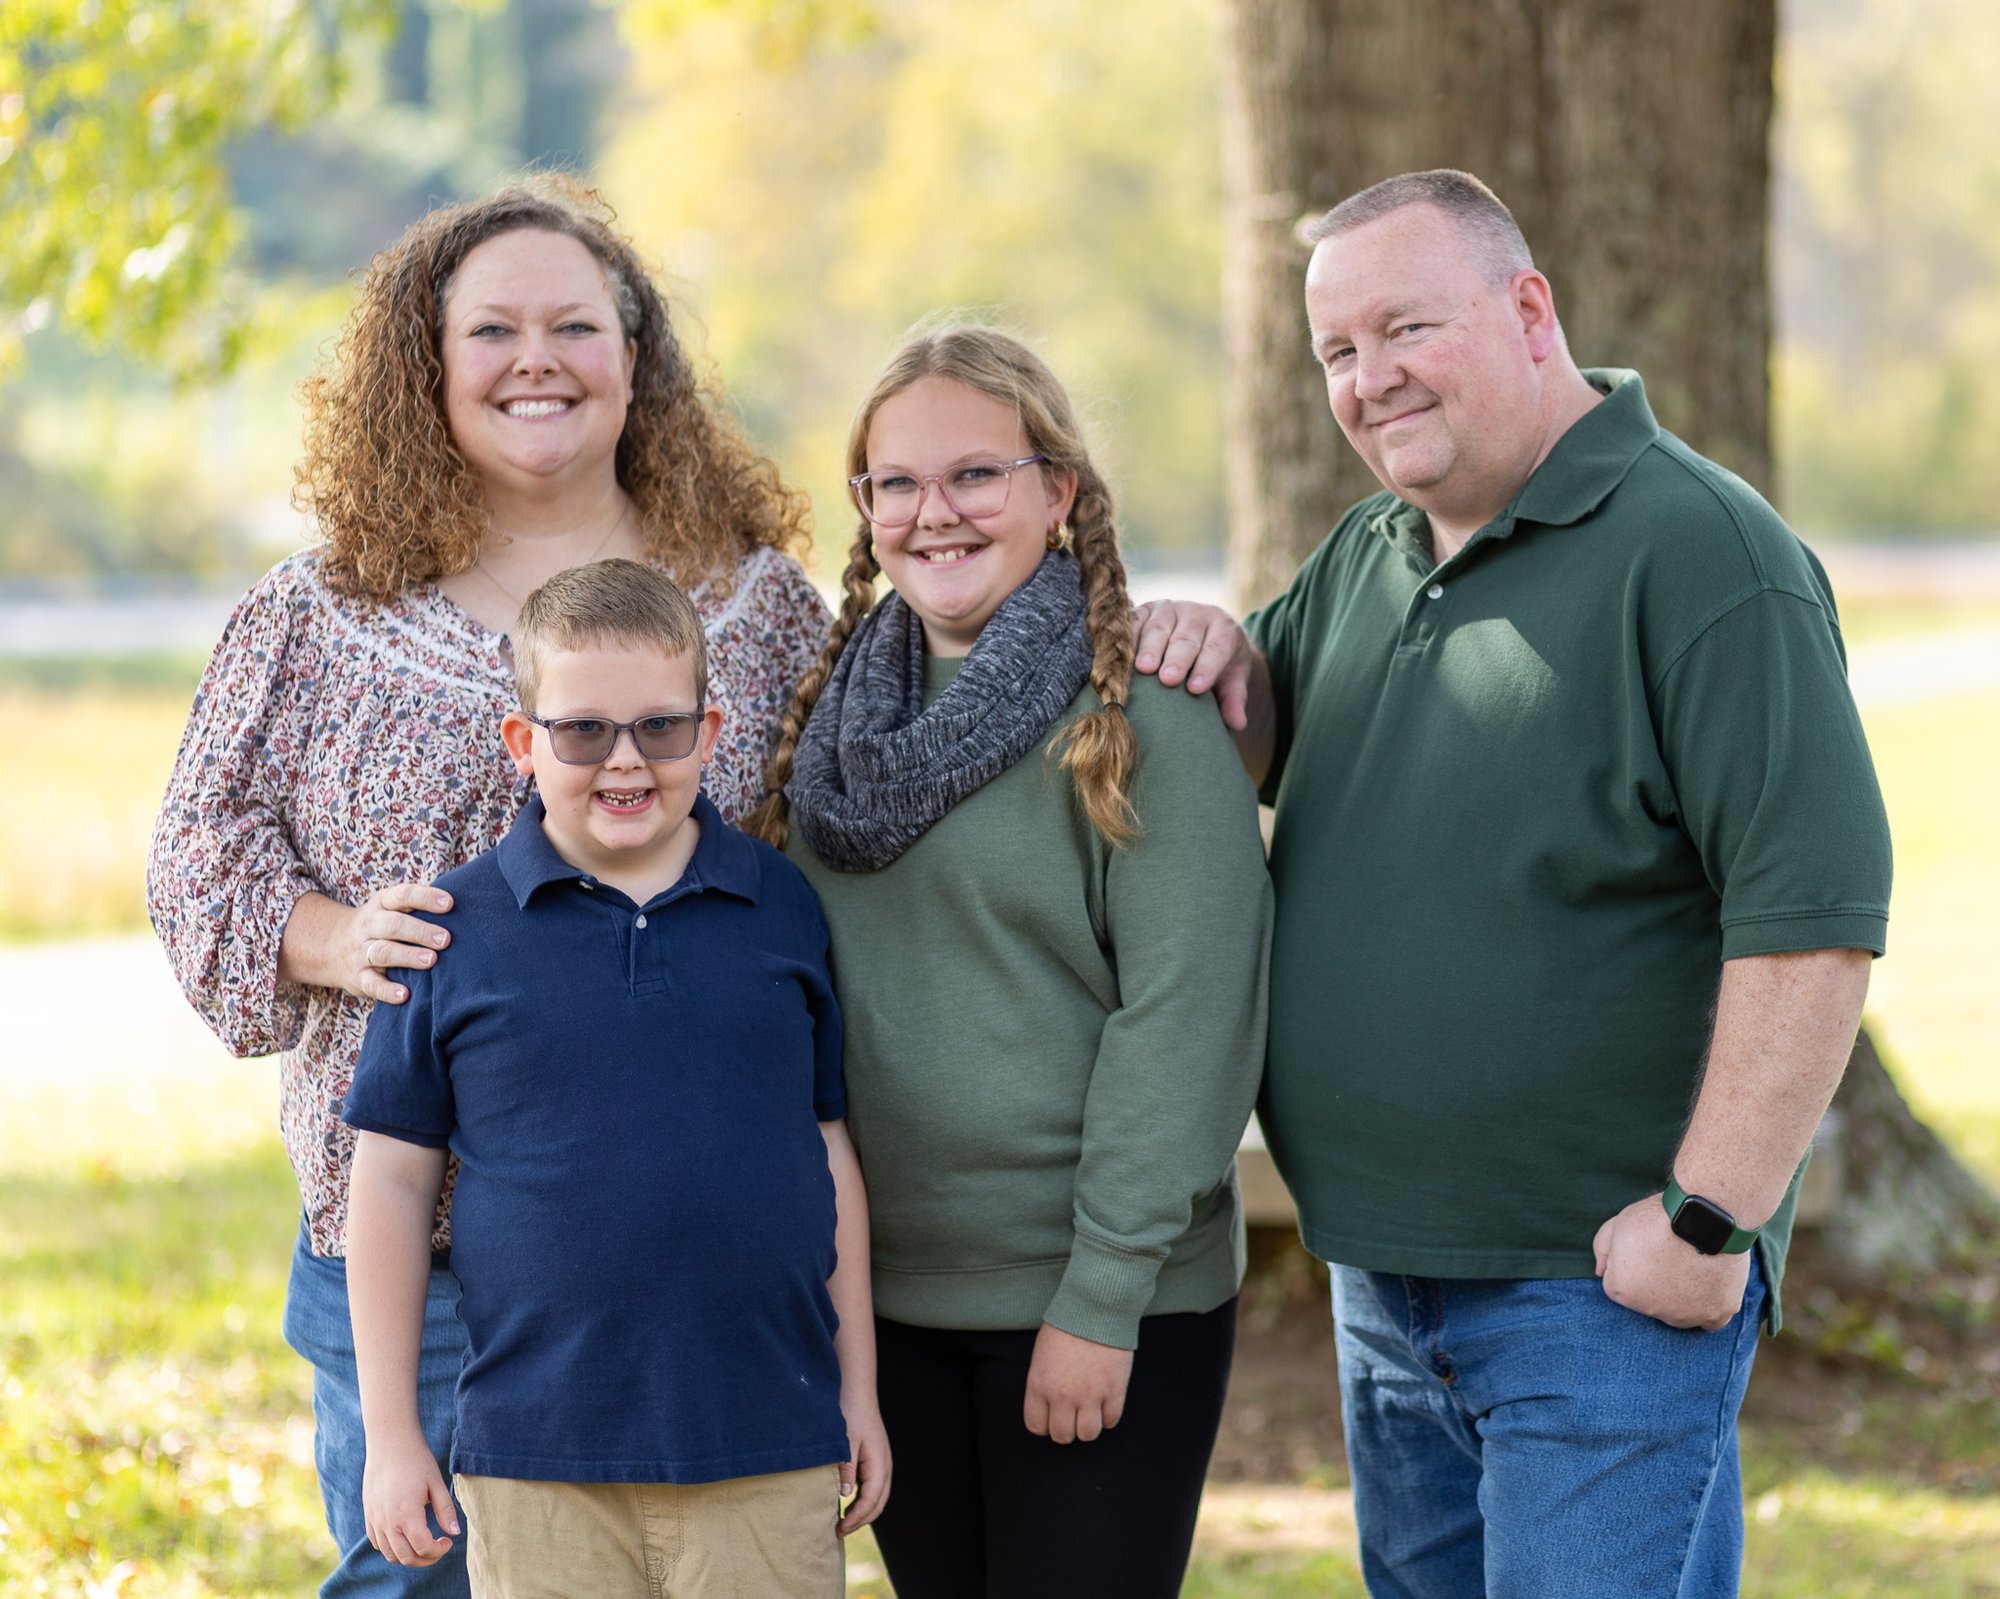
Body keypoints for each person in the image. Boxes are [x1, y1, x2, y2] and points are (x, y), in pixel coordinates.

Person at [1132, 170, 1892, 1599]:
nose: (1367, 380)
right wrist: (1202, 646)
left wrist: (1709, 1218)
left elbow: (1817, 920)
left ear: (1529, 308)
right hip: (1384, 1282)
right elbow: (1256, 726)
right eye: (1338, 351)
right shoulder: (1373, 550)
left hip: (1593, 1293)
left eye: (1404, 327)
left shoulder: (1707, 557)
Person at [146, 176, 829, 1597]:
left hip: (685, 1241)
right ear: (428, 365)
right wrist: (330, 935)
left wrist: (1145, 637)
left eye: (577, 325)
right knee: (418, 1577)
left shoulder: (756, 607)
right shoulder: (319, 609)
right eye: (493, 328)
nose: (538, 359)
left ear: (636, 358)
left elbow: (852, 829)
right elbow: (197, 852)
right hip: (414, 1232)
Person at [749, 324, 1273, 1599]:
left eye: (975, 475)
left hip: (1094, 1300)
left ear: (1058, 494)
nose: (933, 514)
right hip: (881, 1303)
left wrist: (1101, 1296)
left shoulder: (1140, 714)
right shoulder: (823, 730)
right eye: (895, 485)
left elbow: (1186, 1020)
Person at [341, 560, 886, 1598]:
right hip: (537, 1456)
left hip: (766, 1441)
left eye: (660, 729)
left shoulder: (780, 906)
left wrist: (856, 1393)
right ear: (523, 741)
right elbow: (391, 1186)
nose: (624, 761)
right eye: (582, 730)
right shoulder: (448, 932)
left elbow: (826, 1155)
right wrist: (391, 1435)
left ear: (709, 734)